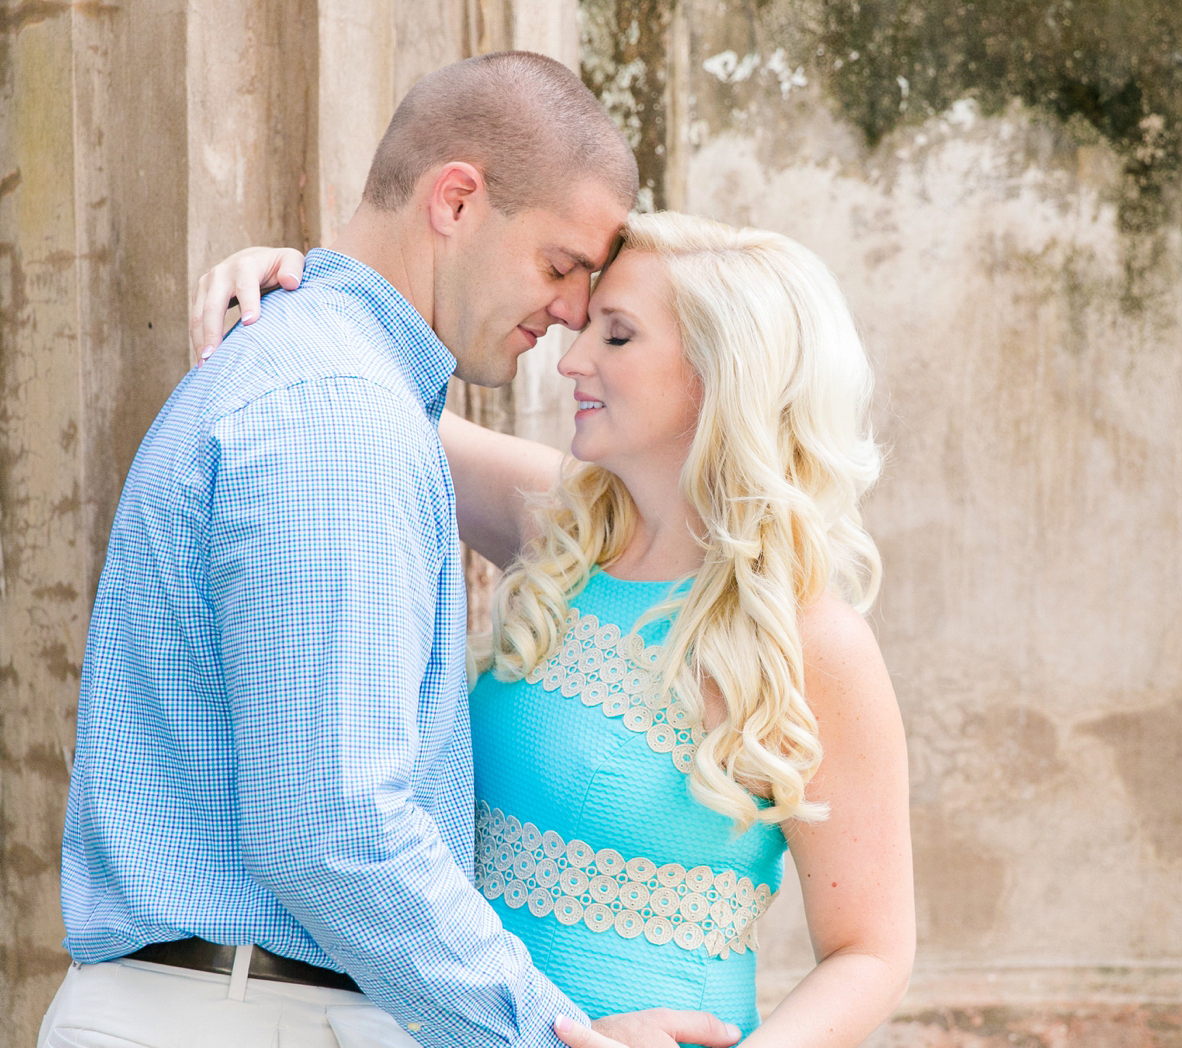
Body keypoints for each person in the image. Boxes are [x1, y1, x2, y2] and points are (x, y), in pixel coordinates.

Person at [43, 52, 740, 1048]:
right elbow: (334, 830)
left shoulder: (338, 389)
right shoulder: (339, 418)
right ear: (455, 201)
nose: (572, 313)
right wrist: (548, 1033)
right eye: (558, 266)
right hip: (247, 1016)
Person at [189, 209, 916, 1045]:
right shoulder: (564, 532)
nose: (570, 359)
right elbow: (363, 396)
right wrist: (295, 286)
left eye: (617, 336)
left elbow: (871, 949)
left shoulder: (809, 638)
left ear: (721, 375)